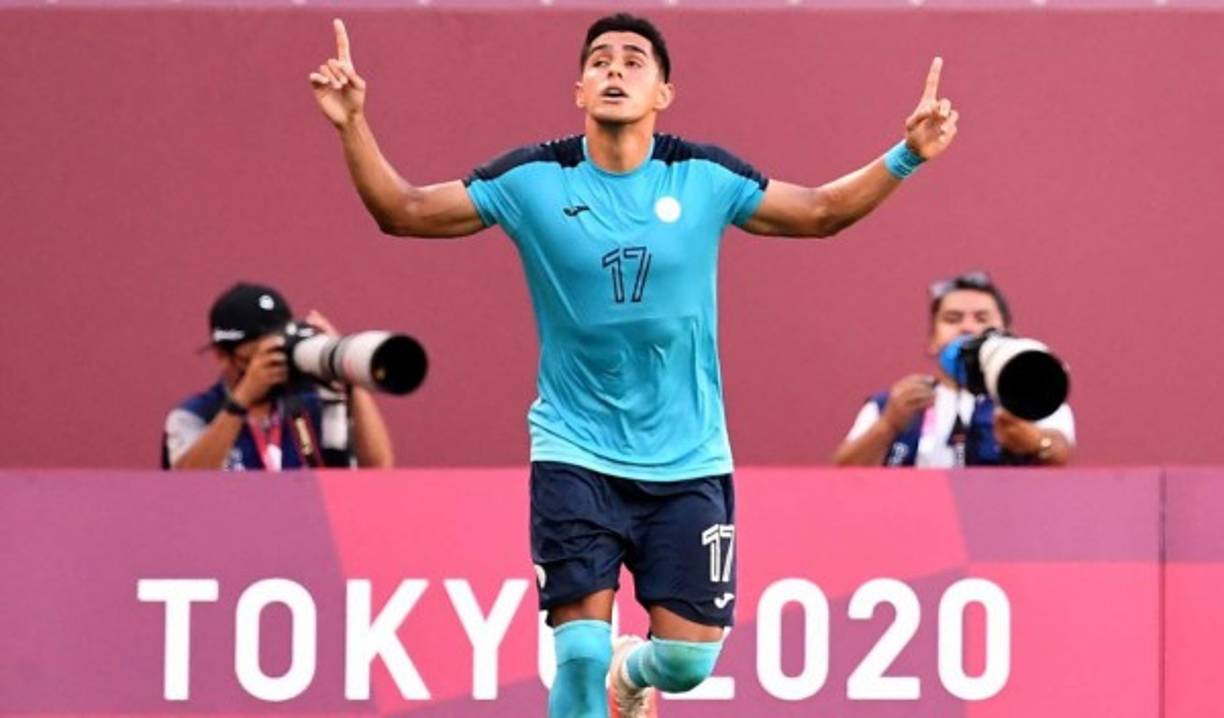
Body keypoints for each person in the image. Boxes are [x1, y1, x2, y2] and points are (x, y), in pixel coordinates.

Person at [309, 13, 958, 716]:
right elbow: (402, 210)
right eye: (601, 61)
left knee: (685, 663)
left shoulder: (705, 176)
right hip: (574, 449)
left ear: (664, 93)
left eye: (634, 61)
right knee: (579, 652)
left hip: (688, 459)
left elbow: (823, 210)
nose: (615, 70)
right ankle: (602, 670)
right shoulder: (531, 180)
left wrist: (908, 155)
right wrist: (352, 124)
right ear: (579, 89)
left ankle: (632, 675)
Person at [833, 271, 1075, 468]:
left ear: (1008, 333)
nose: (968, 328)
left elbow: (1061, 454)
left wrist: (1035, 442)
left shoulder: (1033, 394)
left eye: (982, 319)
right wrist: (889, 425)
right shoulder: (894, 404)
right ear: (932, 339)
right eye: (952, 319)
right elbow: (843, 473)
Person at [162, 282, 394, 471]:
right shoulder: (195, 414)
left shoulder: (314, 404)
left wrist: (346, 372)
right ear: (223, 355)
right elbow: (186, 484)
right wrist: (242, 399)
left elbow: (377, 470)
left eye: (279, 351)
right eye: (260, 356)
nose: (275, 365)